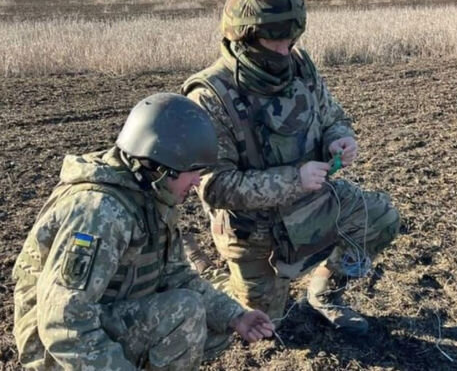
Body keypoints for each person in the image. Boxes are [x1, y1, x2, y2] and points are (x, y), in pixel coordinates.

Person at [181, 0, 400, 336]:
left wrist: (340, 137)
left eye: (291, 39)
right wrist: (293, 179)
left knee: (382, 219)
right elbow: (214, 186)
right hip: (256, 233)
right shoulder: (209, 97)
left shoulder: (300, 66)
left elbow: (333, 115)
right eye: (275, 41)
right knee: (265, 326)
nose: (286, 50)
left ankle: (324, 294)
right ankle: (203, 273)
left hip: (316, 204)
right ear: (245, 37)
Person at [12, 93, 274, 371]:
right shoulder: (100, 213)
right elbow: (63, 324)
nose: (198, 181)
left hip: (98, 316)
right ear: (163, 166)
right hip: (54, 348)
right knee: (185, 312)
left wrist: (235, 316)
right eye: (193, 171)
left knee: (211, 323)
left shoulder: (154, 196)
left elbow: (175, 275)